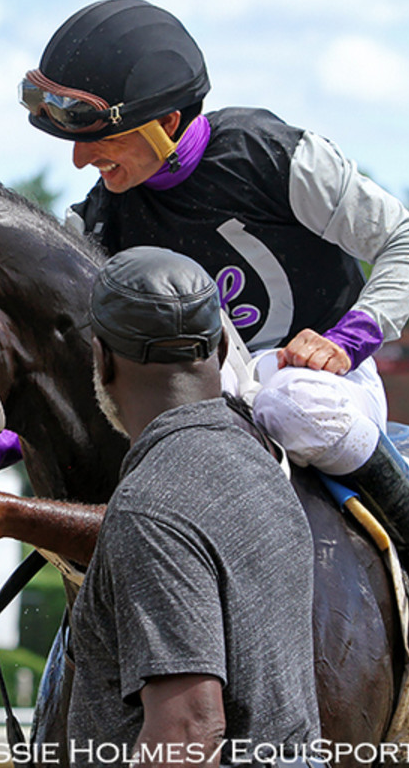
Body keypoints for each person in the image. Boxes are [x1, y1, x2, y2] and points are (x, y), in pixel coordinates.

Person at [0, 0, 409, 648]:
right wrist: (3, 445)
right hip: (201, 410)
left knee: (290, 400)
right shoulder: (98, 222)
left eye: (99, 137)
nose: (80, 160)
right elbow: (82, 372)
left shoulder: (273, 155)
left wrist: (346, 342)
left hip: (318, 386)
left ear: (167, 119)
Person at [78, 247, 321, 765]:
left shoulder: (150, 507)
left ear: (100, 358)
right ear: (223, 343)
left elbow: (188, 731)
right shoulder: (261, 464)